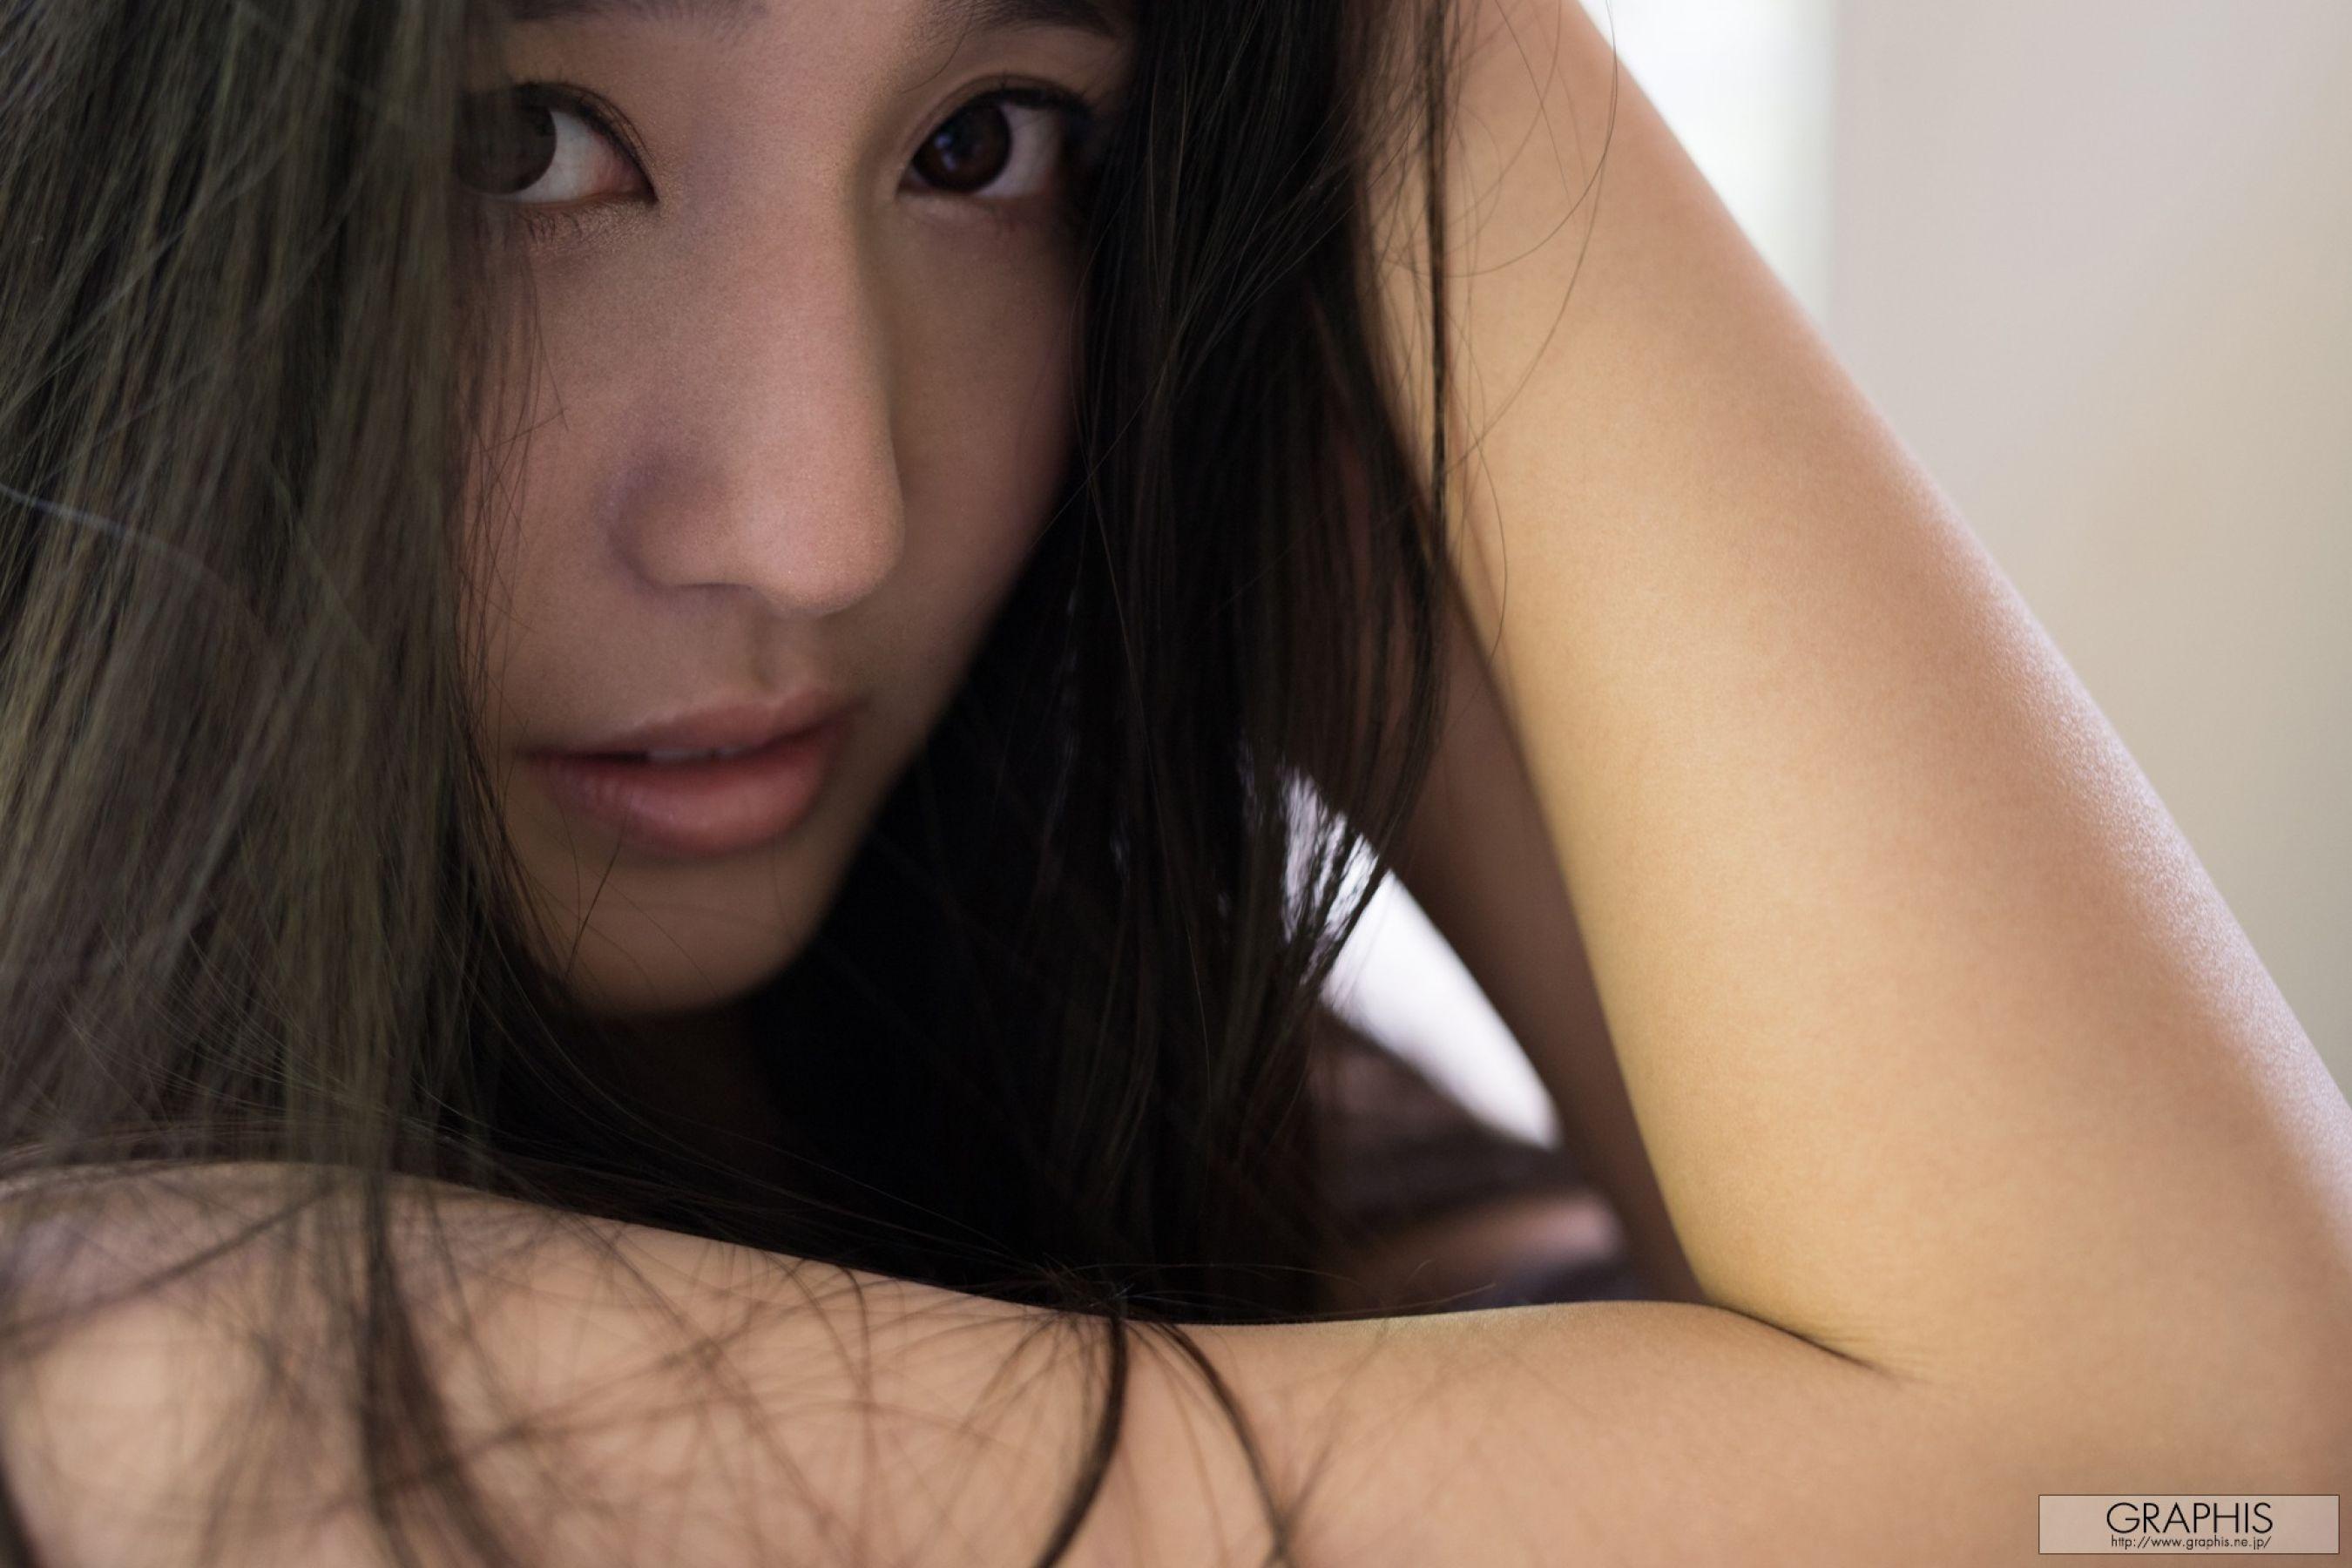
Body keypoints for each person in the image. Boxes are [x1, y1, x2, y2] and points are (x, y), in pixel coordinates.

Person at [0, 0, 2343, 1561]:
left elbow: (2213, 1495)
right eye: (513, 145)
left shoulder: (1141, 1106)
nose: (823, 522)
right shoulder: (122, 1372)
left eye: (984, 143)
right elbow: (2182, 1500)